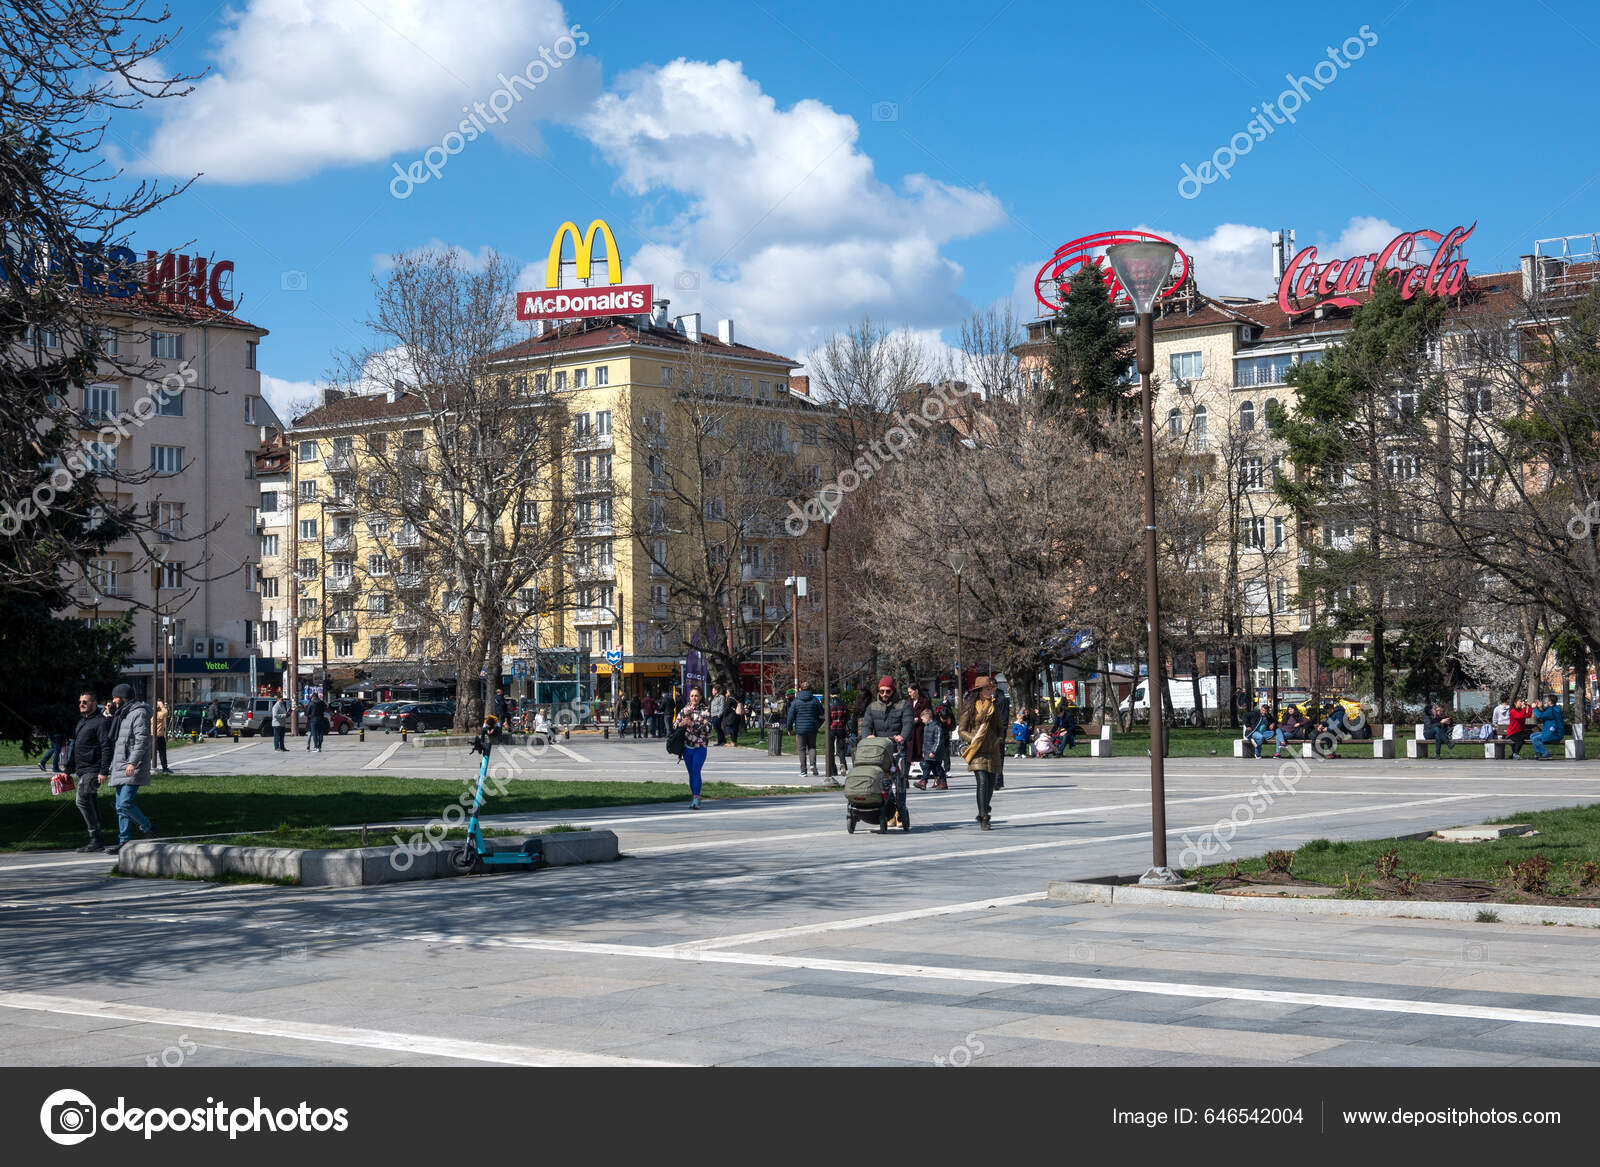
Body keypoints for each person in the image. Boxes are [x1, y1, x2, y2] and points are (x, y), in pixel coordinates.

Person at [103, 684, 155, 854]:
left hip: (133, 765)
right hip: (120, 765)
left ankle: (147, 827)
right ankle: (123, 841)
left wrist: (133, 762)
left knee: (125, 803)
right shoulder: (122, 713)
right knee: (119, 807)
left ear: (122, 697)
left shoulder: (138, 713)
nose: (112, 700)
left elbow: (142, 740)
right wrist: (110, 715)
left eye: (115, 697)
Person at [860, 677, 913, 821]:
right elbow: (866, 725)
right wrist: (867, 736)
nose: (884, 694)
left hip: (897, 748)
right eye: (882, 691)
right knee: (883, 782)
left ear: (892, 690)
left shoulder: (903, 705)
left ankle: (900, 810)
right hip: (880, 751)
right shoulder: (872, 707)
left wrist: (902, 736)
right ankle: (889, 811)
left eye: (887, 691)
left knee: (900, 781)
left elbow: (908, 723)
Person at [65, 690, 112, 852]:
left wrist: (103, 771)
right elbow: (75, 747)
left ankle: (95, 837)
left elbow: (106, 747)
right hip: (81, 769)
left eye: (85, 702)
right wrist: (68, 769)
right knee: (90, 801)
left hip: (93, 770)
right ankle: (97, 840)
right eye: (80, 702)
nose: (81, 704)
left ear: (94, 703)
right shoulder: (82, 722)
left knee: (82, 800)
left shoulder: (101, 722)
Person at [958, 675, 1004, 829]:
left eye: (991, 688)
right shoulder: (970, 707)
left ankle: (984, 806)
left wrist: (998, 739)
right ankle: (984, 816)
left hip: (992, 750)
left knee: (991, 785)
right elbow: (961, 730)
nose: (990, 691)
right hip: (977, 750)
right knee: (982, 782)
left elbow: (1000, 727)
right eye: (987, 688)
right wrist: (973, 739)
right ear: (979, 690)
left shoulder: (994, 706)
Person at [673, 687, 713, 809]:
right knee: (691, 773)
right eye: (691, 696)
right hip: (687, 747)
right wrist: (681, 724)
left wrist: (693, 724)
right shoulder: (685, 710)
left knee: (696, 771)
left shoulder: (705, 711)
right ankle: (694, 796)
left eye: (696, 696)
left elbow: (708, 728)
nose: (694, 698)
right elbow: (674, 725)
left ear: (700, 697)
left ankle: (696, 797)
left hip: (700, 746)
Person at [784, 681, 825, 780]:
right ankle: (813, 765)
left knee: (801, 749)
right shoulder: (815, 700)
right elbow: (822, 714)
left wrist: (789, 728)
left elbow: (790, 716)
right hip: (812, 728)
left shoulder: (796, 701)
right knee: (812, 747)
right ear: (810, 689)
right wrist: (817, 725)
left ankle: (803, 771)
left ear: (800, 689)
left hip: (800, 729)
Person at [914, 706, 949, 790]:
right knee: (928, 766)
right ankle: (924, 781)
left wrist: (933, 751)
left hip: (935, 753)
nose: (922, 721)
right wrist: (924, 751)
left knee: (937, 767)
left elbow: (938, 741)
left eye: (923, 719)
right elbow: (925, 741)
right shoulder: (926, 727)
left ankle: (942, 782)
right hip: (928, 752)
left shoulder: (936, 727)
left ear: (927, 718)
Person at [1531, 695, 1565, 761]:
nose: (1545, 701)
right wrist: (1540, 708)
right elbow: (1545, 714)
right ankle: (1539, 753)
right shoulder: (1553, 708)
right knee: (1532, 735)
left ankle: (1546, 754)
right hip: (1550, 731)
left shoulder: (1552, 710)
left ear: (1550, 702)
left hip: (1554, 733)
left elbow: (1540, 716)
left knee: (1535, 738)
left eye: (1546, 700)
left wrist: (1534, 708)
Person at [828, 693, 850, 776]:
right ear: (839, 695)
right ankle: (842, 764)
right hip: (841, 728)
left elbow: (827, 717)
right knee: (841, 749)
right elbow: (847, 718)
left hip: (831, 728)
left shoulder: (829, 705)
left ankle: (833, 769)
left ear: (831, 695)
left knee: (830, 750)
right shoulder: (843, 705)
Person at [153, 699, 171, 774]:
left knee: (151, 753)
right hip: (159, 735)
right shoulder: (158, 714)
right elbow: (165, 712)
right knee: (162, 752)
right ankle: (165, 768)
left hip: (152, 735)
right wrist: (161, 704)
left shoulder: (151, 713)